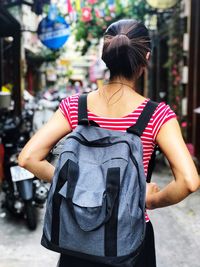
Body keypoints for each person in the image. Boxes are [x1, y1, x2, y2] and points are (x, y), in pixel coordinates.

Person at [18, 19, 200, 267]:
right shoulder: (157, 115)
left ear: (106, 56)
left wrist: (80, 185)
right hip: (129, 241)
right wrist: (150, 199)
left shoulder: (75, 107)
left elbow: (28, 157)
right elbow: (189, 181)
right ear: (145, 57)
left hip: (79, 238)